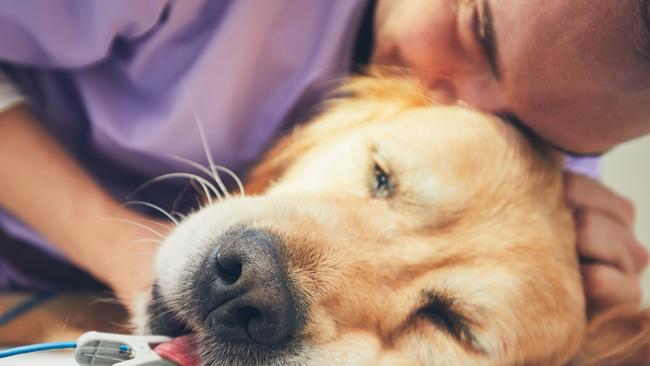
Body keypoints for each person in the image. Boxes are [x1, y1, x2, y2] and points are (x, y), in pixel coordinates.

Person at [0, 0, 647, 317]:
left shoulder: (543, 133)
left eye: (539, 132)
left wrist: (588, 311)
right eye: (477, 32)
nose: (463, 114)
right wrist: (121, 251)